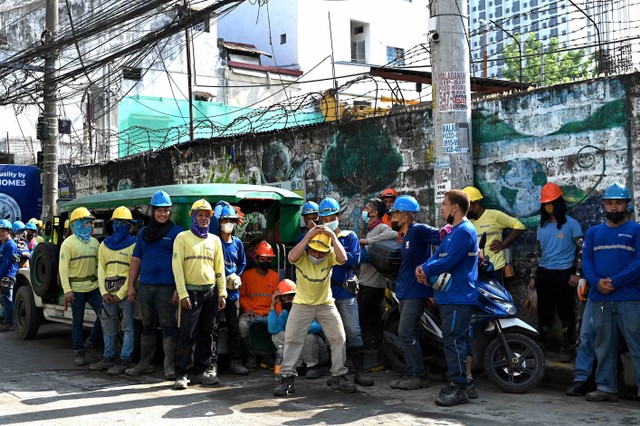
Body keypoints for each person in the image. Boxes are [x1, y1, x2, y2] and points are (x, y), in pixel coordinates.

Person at [273, 226, 356, 396]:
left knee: (339, 337)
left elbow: (344, 257)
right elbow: (291, 256)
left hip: (326, 303)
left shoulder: (330, 256)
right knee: (292, 339)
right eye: (315, 251)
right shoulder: (302, 257)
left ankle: (339, 375)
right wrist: (309, 235)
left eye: (322, 253)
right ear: (309, 248)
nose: (318, 256)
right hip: (302, 304)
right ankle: (287, 377)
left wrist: (333, 236)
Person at [417, 189, 479, 406]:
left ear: (455, 207)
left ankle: (459, 386)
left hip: (458, 296)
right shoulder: (453, 232)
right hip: (450, 295)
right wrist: (424, 267)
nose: (442, 209)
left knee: (453, 340)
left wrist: (425, 268)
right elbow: (438, 255)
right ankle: (464, 384)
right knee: (457, 339)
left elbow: (449, 261)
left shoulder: (464, 231)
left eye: (444, 205)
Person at [580, 182, 640, 402]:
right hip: (600, 300)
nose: (614, 208)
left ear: (627, 205)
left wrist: (615, 281)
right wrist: (596, 283)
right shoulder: (593, 233)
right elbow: (586, 262)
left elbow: (638, 263)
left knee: (637, 344)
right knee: (603, 344)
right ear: (603, 205)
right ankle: (606, 388)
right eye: (610, 203)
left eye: (619, 203)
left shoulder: (636, 231)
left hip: (629, 298)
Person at [126, 190, 183, 380]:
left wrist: (178, 288)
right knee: (147, 325)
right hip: (146, 287)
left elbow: (183, 263)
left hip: (167, 288)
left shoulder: (177, 233)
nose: (163, 214)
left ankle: (169, 368)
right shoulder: (143, 233)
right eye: (159, 210)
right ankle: (145, 364)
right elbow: (136, 259)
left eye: (166, 210)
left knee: (168, 326)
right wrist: (131, 286)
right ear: (153, 211)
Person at [172, 199, 227, 390]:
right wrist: (182, 293)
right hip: (191, 293)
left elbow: (219, 268)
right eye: (200, 215)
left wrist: (222, 293)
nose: (204, 219)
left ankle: (201, 371)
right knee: (187, 333)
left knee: (207, 333)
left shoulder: (215, 240)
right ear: (193, 216)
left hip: (210, 293)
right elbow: (177, 267)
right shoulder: (182, 238)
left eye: (207, 215)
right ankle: (182, 374)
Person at [318, 197, 373, 386]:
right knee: (333, 336)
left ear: (338, 216)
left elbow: (354, 259)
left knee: (353, 332)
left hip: (346, 293)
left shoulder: (349, 236)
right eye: (323, 219)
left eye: (330, 217)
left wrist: (332, 248)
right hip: (327, 295)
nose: (327, 222)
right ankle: (337, 374)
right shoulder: (317, 238)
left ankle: (359, 372)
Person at [388, 195, 441, 390]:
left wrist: (430, 265)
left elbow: (445, 238)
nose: (391, 217)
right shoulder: (406, 236)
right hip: (405, 291)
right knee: (411, 333)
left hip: (416, 292)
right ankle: (411, 372)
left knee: (405, 332)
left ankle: (418, 375)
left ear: (405, 216)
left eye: (394, 213)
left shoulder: (418, 230)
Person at [528, 183, 584, 362]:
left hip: (564, 274)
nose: (548, 206)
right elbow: (538, 252)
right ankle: (540, 344)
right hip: (544, 273)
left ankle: (567, 345)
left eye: (551, 202)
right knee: (544, 311)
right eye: (545, 203)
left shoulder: (572, 224)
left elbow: (581, 250)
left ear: (559, 203)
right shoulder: (542, 226)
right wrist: (532, 275)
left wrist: (577, 273)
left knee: (565, 312)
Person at [90, 207, 137, 375]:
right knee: (108, 325)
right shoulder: (104, 245)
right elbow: (101, 269)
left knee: (128, 326)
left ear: (130, 226)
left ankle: (125, 359)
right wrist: (104, 292)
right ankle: (108, 357)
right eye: (117, 222)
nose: (119, 225)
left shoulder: (133, 245)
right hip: (107, 291)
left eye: (124, 223)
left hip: (125, 291)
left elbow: (134, 271)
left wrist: (121, 293)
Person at [59, 207, 102, 366]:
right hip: (76, 289)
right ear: (76, 224)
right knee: (77, 321)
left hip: (93, 287)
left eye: (90, 223)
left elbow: (99, 266)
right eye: (85, 223)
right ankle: (78, 351)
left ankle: (91, 342)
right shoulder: (68, 244)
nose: (89, 226)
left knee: (104, 315)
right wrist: (67, 290)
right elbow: (63, 268)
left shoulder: (95, 243)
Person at [358, 197, 398, 361]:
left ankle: (376, 357)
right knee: (367, 321)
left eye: (366, 208)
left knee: (368, 322)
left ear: (374, 212)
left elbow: (394, 233)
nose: (364, 210)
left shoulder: (381, 228)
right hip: (365, 283)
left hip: (374, 285)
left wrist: (368, 241)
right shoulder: (370, 228)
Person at [268, 279, 329, 379]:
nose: (287, 302)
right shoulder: (285, 313)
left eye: (289, 298)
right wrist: (273, 305)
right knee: (277, 336)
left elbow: (318, 327)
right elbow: (273, 329)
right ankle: (298, 365)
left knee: (308, 336)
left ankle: (312, 367)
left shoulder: (308, 307)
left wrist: (294, 329)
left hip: (319, 353)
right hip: (299, 353)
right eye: (283, 300)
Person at [463, 186, 525, 282]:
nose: (465, 211)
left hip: (495, 267)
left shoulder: (494, 215)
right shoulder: (467, 222)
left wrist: (503, 243)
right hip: (476, 269)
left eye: (467, 207)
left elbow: (519, 226)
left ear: (476, 205)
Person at [215, 205, 247, 375]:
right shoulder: (214, 241)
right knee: (213, 327)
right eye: (225, 220)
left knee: (234, 327)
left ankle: (236, 361)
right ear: (220, 222)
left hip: (233, 293)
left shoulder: (237, 243)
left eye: (231, 221)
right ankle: (211, 363)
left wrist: (235, 276)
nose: (228, 224)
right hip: (216, 292)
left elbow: (242, 263)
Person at [239, 241, 280, 370]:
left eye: (269, 259)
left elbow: (278, 299)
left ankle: (268, 357)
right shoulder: (246, 276)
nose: (266, 262)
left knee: (283, 327)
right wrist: (248, 309)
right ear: (256, 259)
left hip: (269, 313)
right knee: (242, 325)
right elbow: (241, 296)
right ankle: (251, 358)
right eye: (263, 259)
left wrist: (276, 314)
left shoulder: (275, 276)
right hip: (251, 313)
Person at [0, 219, 19, 332]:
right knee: (4, 299)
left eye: (2, 231)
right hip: (4, 274)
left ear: (8, 232)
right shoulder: (4, 244)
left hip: (7, 275)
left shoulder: (10, 245)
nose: (0, 233)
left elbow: (6, 263)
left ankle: (10, 322)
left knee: (6, 299)